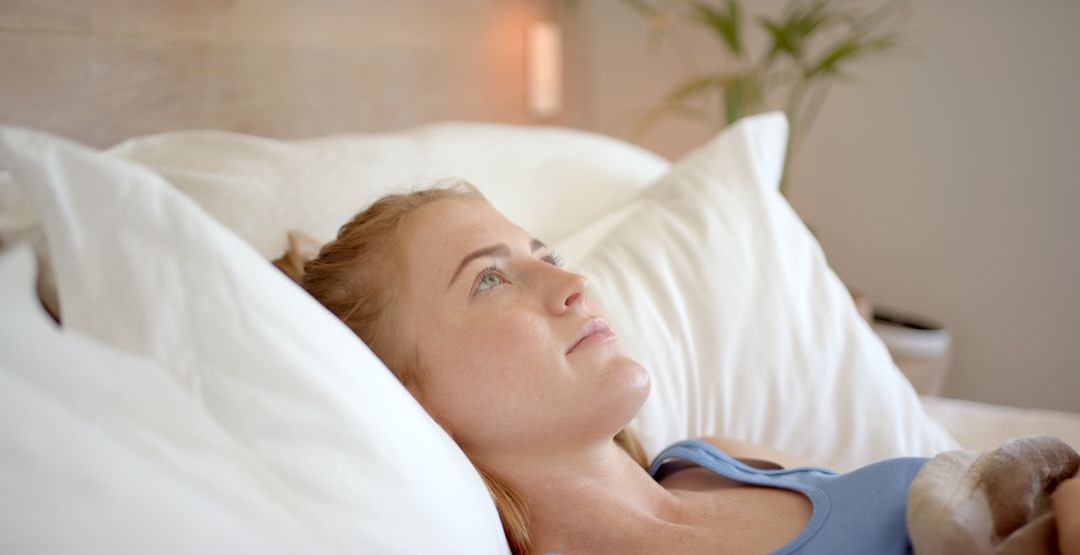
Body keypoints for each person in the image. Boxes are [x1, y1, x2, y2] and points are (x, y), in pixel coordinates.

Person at [275, 181, 1079, 555]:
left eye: (544, 253)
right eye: (489, 279)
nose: (572, 282)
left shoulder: (718, 461)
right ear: (404, 397)